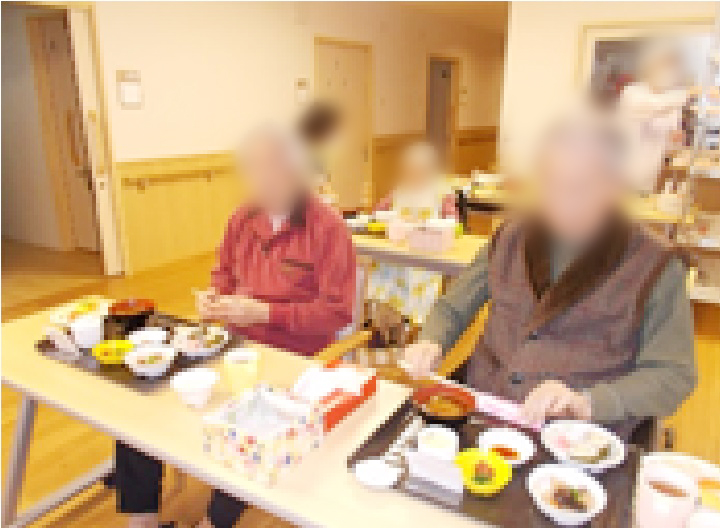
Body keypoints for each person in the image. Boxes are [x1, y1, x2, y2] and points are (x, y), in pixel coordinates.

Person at [114, 126, 356, 528]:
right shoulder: (242, 218)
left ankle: (214, 522)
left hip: (296, 359)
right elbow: (223, 273)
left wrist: (264, 313)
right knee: (142, 398)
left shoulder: (327, 227)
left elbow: (336, 312)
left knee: (249, 421)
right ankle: (142, 520)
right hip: (234, 346)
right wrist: (214, 298)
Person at [403, 110, 697, 439]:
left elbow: (674, 375)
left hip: (577, 439)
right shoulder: (512, 237)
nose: (557, 203)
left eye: (577, 187)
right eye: (549, 183)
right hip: (486, 412)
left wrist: (587, 402)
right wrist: (431, 340)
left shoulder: (654, 265)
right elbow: (453, 308)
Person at [367, 142, 458, 325]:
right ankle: (387, 322)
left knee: (417, 276)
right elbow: (377, 213)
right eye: (410, 170)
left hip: (427, 253)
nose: (414, 175)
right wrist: (390, 220)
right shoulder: (400, 191)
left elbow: (453, 222)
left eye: (419, 170)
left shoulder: (441, 193)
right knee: (382, 272)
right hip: (398, 251)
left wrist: (428, 226)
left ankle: (415, 323)